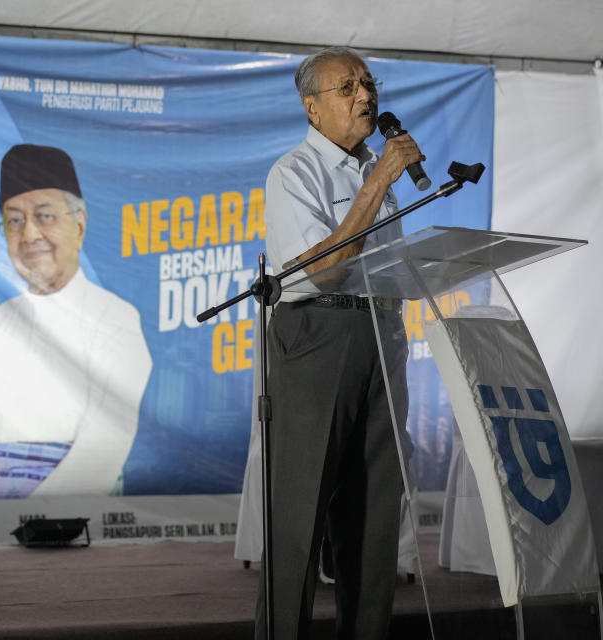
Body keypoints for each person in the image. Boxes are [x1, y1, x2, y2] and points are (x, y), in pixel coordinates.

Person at [256, 47, 423, 639]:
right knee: (299, 518)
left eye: (369, 84)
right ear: (312, 108)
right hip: (318, 337)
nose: (365, 96)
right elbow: (324, 271)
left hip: (381, 335)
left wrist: (378, 181)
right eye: (347, 87)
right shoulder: (294, 173)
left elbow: (388, 265)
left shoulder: (375, 173)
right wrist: (379, 180)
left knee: (375, 522)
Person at [0, 144, 153, 499]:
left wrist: (26, 520)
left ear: (79, 225)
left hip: (64, 521)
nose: (30, 234)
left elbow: (100, 453)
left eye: (45, 216)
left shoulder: (116, 321)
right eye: (15, 221)